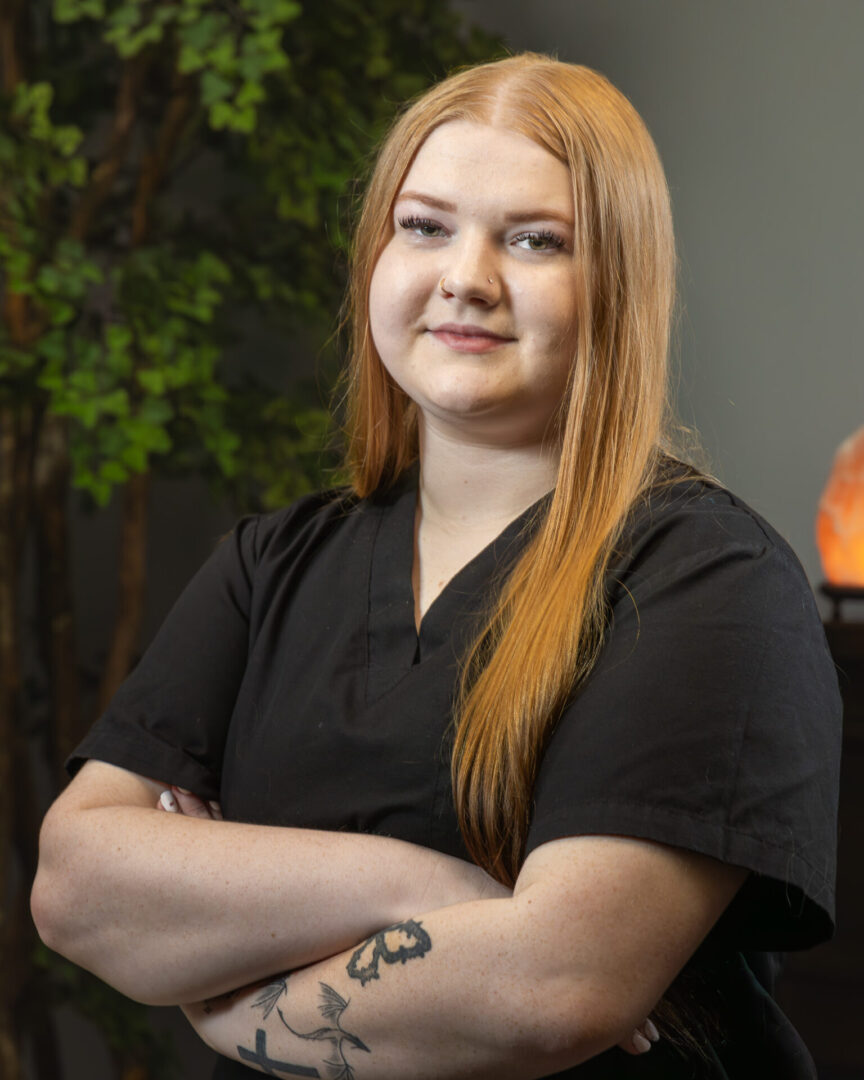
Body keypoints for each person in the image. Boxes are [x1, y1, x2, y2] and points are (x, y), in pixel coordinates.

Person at [31, 53, 841, 1079]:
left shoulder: (709, 584)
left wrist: (222, 992)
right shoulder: (268, 565)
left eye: (537, 240)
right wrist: (427, 890)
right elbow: (74, 884)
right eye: (425, 225)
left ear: (618, 284)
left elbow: (551, 992)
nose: (466, 275)